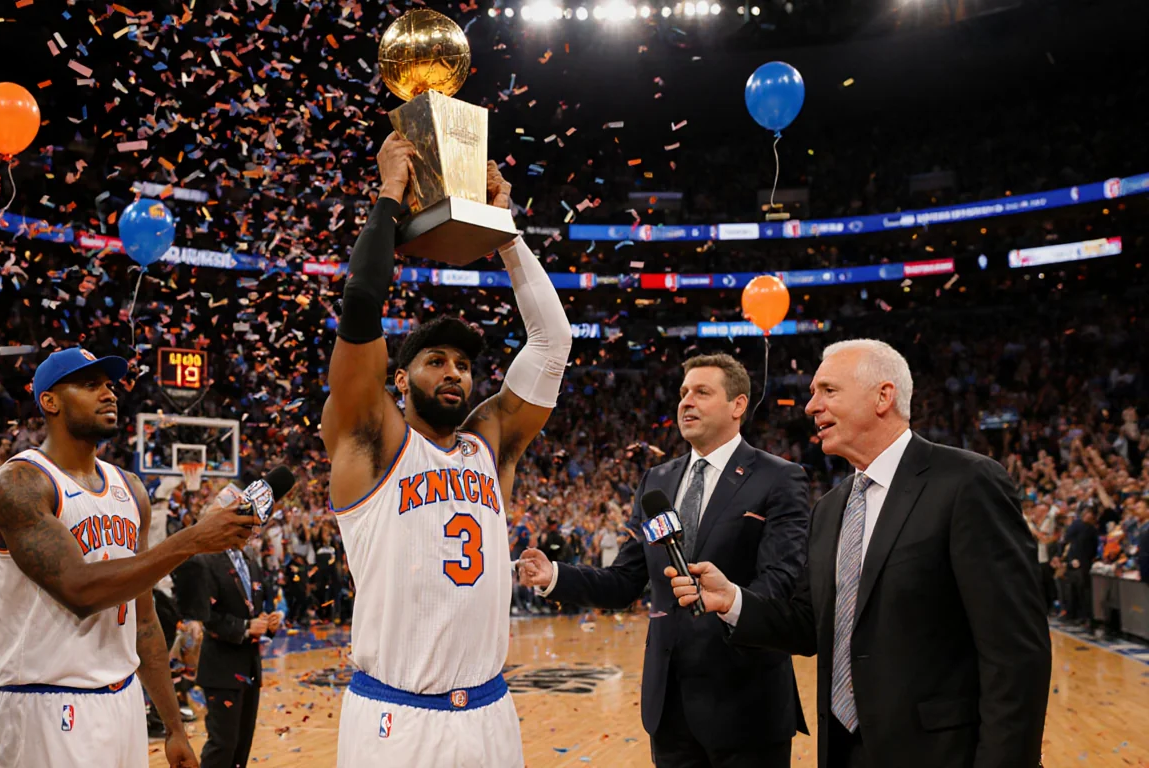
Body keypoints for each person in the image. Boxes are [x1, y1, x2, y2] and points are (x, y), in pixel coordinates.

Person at [667, 340, 1051, 768]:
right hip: (845, 750)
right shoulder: (831, 507)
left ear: (883, 396)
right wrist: (733, 600)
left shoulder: (967, 482)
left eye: (827, 391)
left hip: (940, 754)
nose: (811, 407)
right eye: (813, 393)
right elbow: (808, 624)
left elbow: (1016, 655)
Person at [322, 132, 572, 768]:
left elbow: (551, 342)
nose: (455, 372)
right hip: (395, 718)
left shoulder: (490, 442)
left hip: (490, 712)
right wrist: (387, 197)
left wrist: (505, 231)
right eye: (436, 361)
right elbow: (359, 303)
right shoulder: (371, 438)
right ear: (400, 379)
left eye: (464, 363)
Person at [519, 353, 810, 768]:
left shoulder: (778, 477)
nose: (686, 401)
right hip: (669, 706)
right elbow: (625, 581)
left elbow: (780, 584)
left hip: (746, 705)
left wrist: (730, 599)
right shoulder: (657, 481)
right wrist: (555, 577)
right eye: (683, 393)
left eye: (702, 392)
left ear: (738, 405)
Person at [0, 347, 261, 768]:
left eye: (110, 385)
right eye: (90, 385)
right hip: (47, 704)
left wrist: (174, 727)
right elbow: (79, 589)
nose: (109, 394)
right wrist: (192, 540)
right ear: (50, 401)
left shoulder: (129, 487)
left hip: (124, 699)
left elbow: (143, 619)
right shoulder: (18, 482)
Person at [180, 540, 283, 767]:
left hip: (250, 667)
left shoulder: (250, 559)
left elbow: (254, 609)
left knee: (241, 746)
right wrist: (245, 627)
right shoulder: (205, 560)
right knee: (223, 746)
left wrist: (268, 622)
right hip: (221, 669)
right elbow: (207, 616)